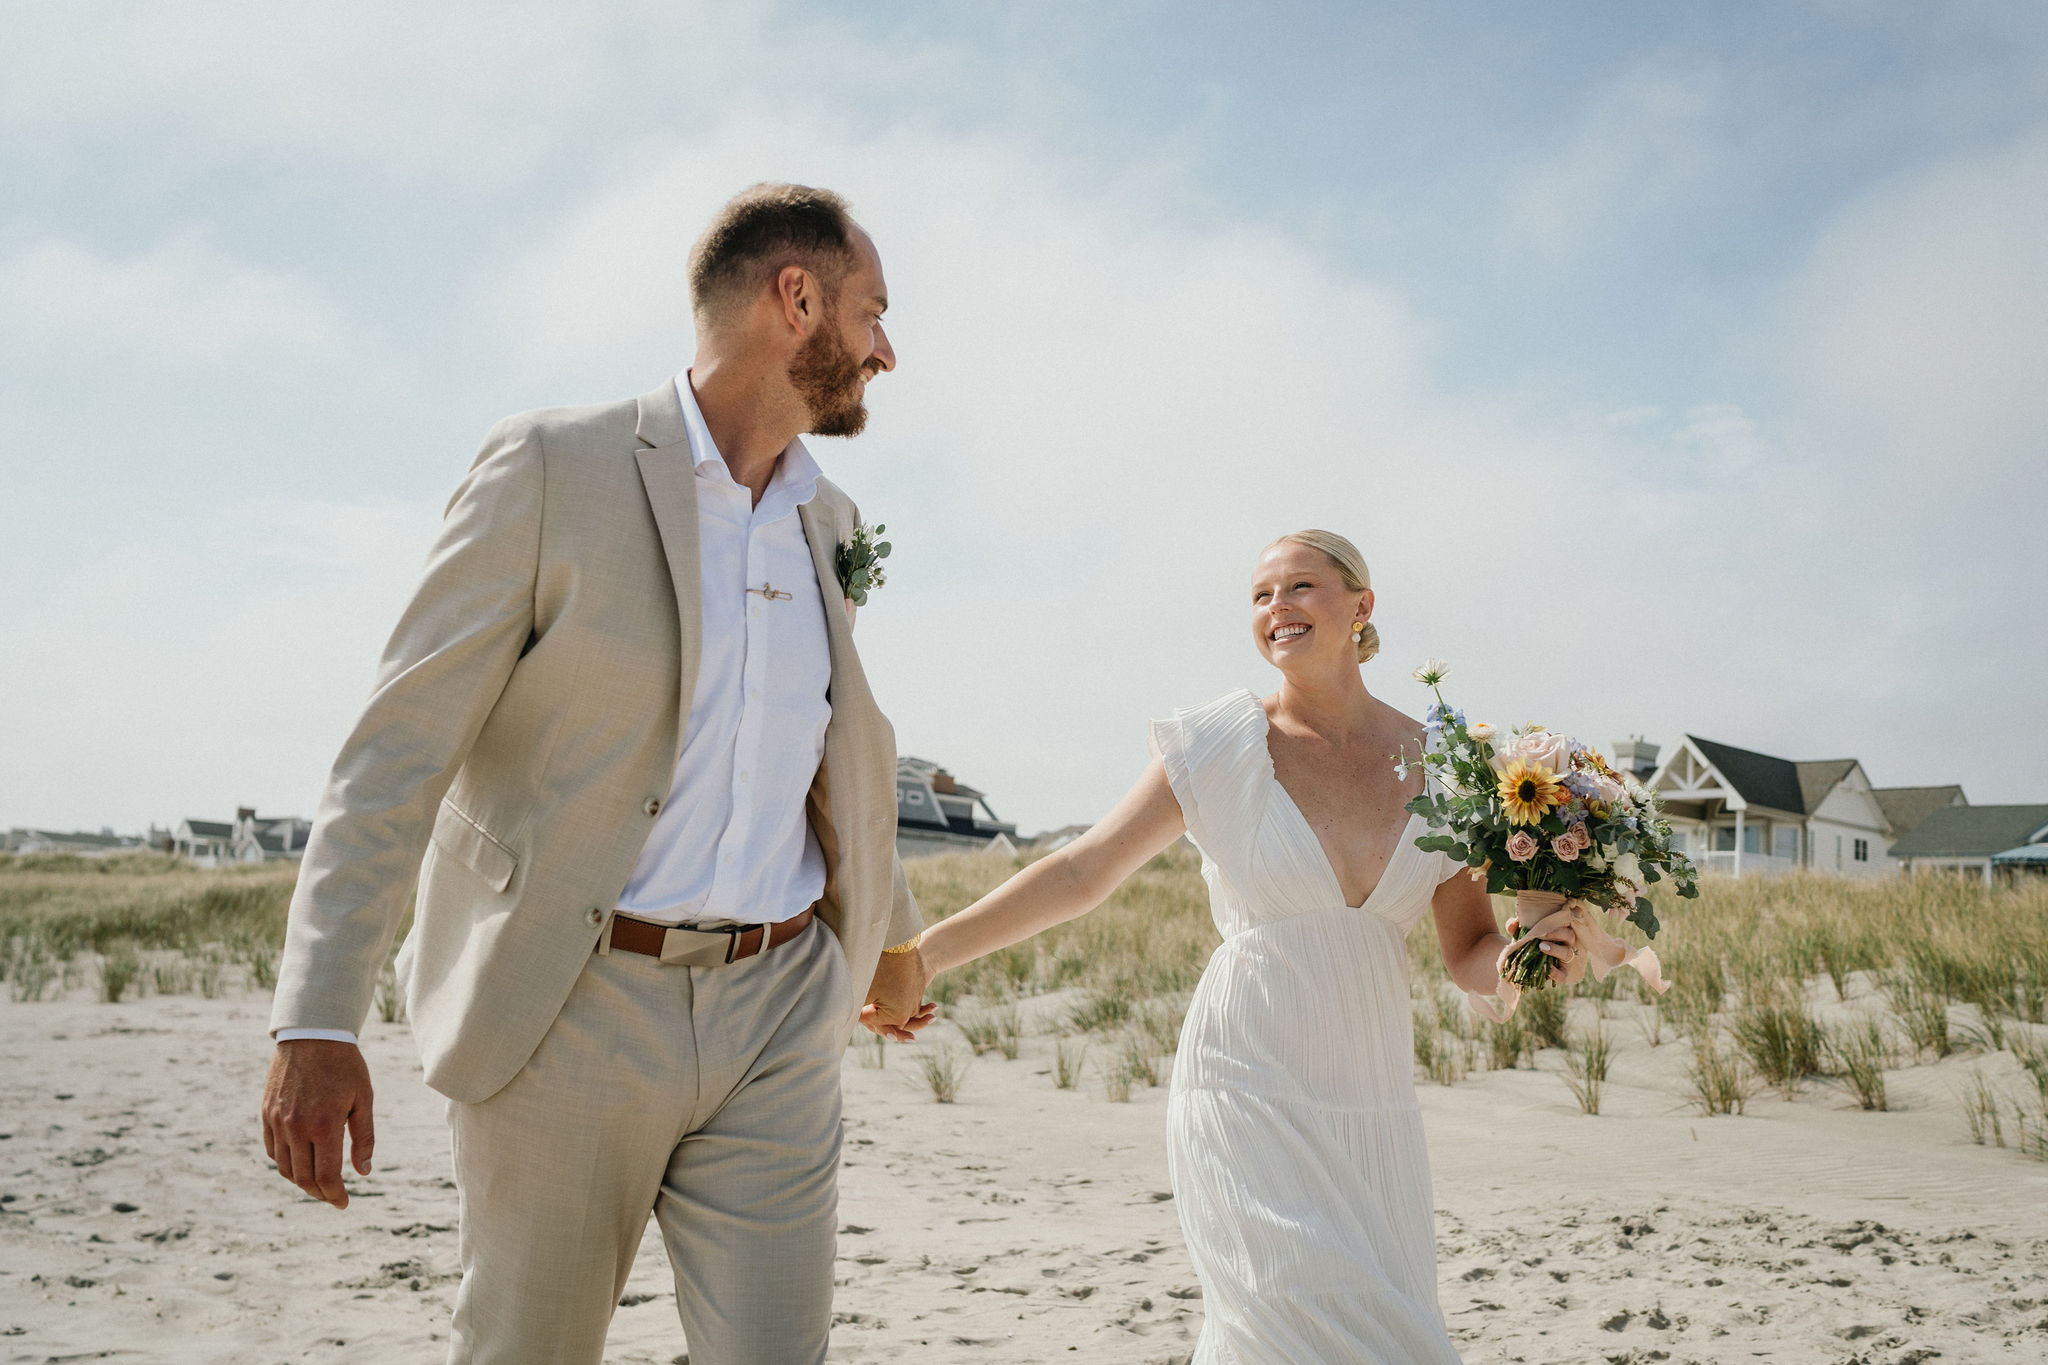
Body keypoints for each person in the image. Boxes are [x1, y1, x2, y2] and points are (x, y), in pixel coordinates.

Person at [259, 183, 936, 1365]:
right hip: (571, 1001)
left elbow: (832, 750)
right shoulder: (551, 469)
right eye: (871, 312)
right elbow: (395, 752)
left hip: (779, 1007)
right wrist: (317, 1015)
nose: (887, 347)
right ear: (796, 300)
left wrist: (885, 935)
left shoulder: (829, 522)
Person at [914, 529, 1581, 1363]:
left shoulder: (1447, 765)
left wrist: (1533, 956)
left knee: (1394, 1334)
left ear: (1361, 606)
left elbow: (1470, 948)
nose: (1277, 608)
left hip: (1371, 1102)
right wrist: (926, 953)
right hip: (1243, 1081)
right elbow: (1083, 869)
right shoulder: (1222, 742)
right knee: (1279, 1318)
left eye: (1300, 586)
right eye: (1261, 596)